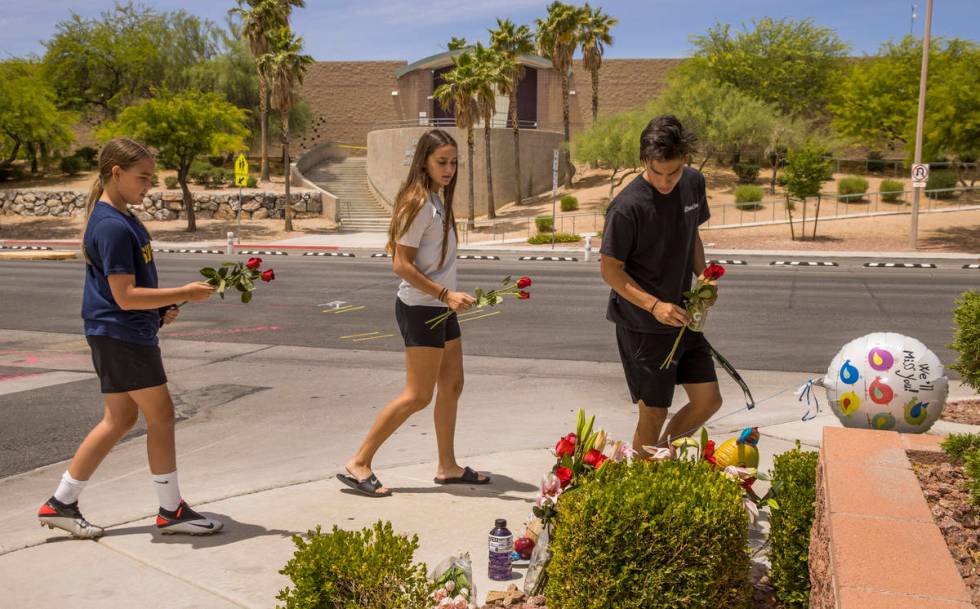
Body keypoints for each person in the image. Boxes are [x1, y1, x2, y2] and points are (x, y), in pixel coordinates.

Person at [37, 138, 221, 537]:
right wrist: (184, 293)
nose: (148, 186)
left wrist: (158, 308)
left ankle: (61, 502)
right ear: (116, 173)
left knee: (120, 418)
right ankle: (171, 511)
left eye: (151, 178)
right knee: (162, 416)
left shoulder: (124, 218)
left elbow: (127, 291)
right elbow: (124, 295)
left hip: (118, 332)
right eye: (143, 178)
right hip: (121, 336)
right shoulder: (111, 225)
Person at [338, 129, 489, 497]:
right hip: (422, 307)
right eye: (442, 162)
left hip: (441, 306)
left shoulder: (437, 200)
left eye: (453, 162)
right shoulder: (418, 202)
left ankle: (447, 467)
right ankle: (359, 462)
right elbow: (400, 265)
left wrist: (448, 297)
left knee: (452, 386)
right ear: (424, 160)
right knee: (418, 395)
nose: (449, 168)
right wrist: (445, 293)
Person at [599, 115, 722, 455]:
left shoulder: (693, 184)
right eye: (657, 172)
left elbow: (692, 233)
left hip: (684, 316)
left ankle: (657, 463)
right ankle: (643, 480)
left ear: (685, 161)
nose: (666, 182)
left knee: (708, 400)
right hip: (642, 324)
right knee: (653, 412)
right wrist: (654, 305)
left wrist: (703, 276)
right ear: (644, 161)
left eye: (674, 172)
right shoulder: (626, 208)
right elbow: (610, 270)